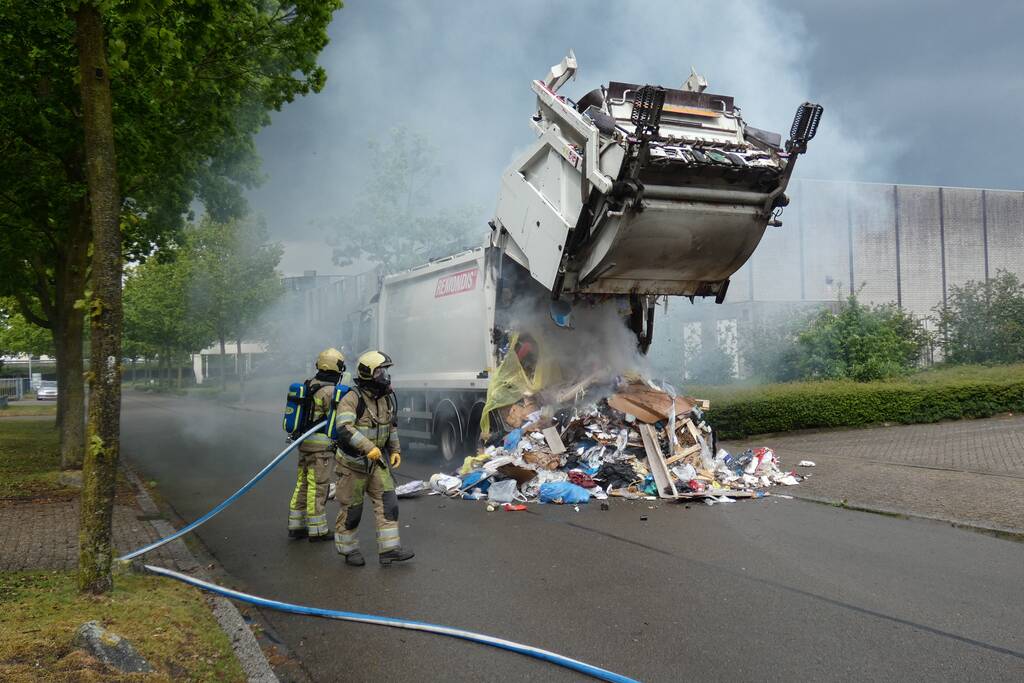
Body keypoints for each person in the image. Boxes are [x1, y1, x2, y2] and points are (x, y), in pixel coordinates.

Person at [333, 350, 414, 566]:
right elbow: (343, 428)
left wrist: (395, 450)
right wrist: (368, 447)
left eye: (385, 371)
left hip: (376, 463)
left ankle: (389, 550)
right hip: (353, 465)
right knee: (353, 510)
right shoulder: (352, 398)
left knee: (389, 503)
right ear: (368, 373)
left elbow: (390, 426)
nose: (384, 376)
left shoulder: (384, 398)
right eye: (380, 371)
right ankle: (349, 550)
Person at [288, 348, 346, 542]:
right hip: (320, 449)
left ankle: (296, 525)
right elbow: (337, 420)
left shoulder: (309, 384)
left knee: (302, 484)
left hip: (303, 444)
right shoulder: (330, 392)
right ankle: (317, 530)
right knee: (318, 487)